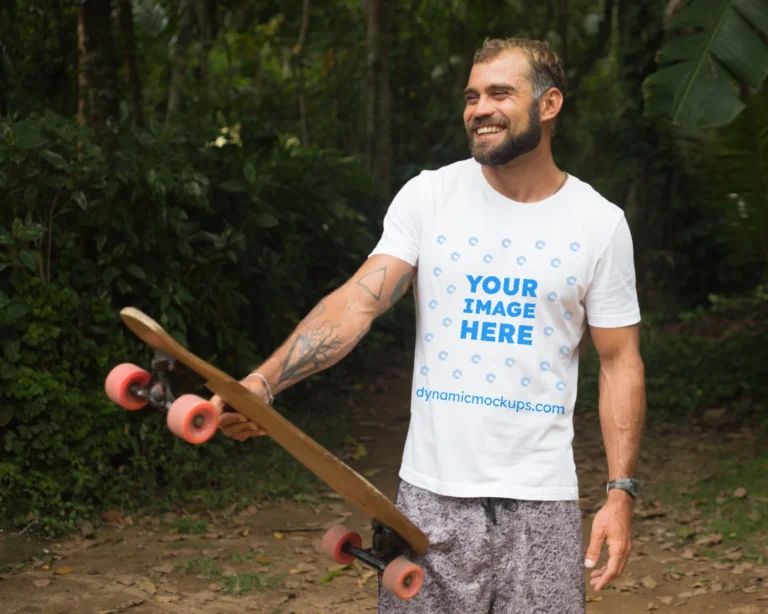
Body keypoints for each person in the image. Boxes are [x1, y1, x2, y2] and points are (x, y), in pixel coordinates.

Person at [211, 37, 646, 614]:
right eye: (471, 96)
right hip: (430, 499)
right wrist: (263, 384)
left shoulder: (600, 224)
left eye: (499, 93)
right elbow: (356, 304)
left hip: (543, 503)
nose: (479, 108)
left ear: (549, 104)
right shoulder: (431, 196)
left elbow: (620, 361)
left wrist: (620, 493)